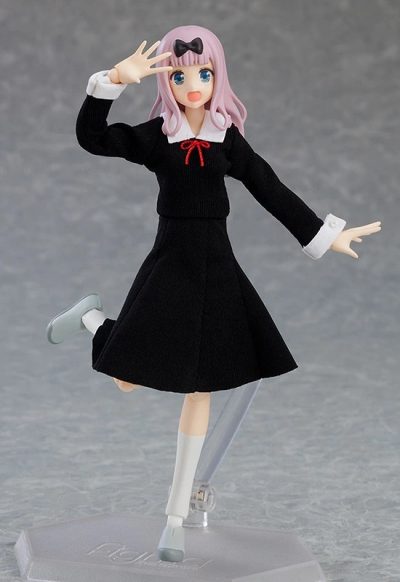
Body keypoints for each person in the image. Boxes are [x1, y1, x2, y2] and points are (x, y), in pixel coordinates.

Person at [46, 25, 382, 562]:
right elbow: (94, 138)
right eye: (179, 76)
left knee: (200, 388)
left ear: (218, 74)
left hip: (217, 266)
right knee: (127, 378)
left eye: (203, 72)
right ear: (167, 82)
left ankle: (174, 519)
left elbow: (271, 189)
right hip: (170, 262)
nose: (193, 84)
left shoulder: (228, 138)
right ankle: (92, 320)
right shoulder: (158, 137)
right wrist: (112, 82)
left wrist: (324, 235)